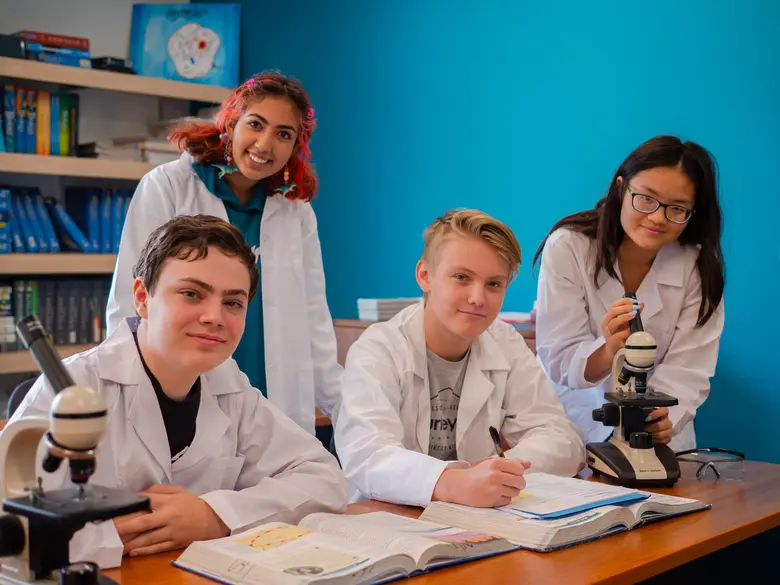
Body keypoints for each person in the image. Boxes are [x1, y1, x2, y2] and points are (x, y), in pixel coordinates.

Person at [9, 215, 348, 568]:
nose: (214, 316)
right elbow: (15, 526)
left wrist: (213, 515)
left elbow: (325, 479)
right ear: (142, 297)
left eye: (233, 302)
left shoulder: (229, 385)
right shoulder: (74, 386)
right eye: (191, 294)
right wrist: (122, 534)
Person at [106, 72, 340, 434]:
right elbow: (129, 301)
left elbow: (314, 319)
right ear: (230, 123)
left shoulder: (295, 211)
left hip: (276, 398)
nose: (265, 144)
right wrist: (127, 394)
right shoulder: (168, 186)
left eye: (283, 134)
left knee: (281, 467)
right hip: (181, 388)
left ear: (295, 146)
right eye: (255, 124)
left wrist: (346, 413)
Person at [334, 209, 584, 508]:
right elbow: (368, 456)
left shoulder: (505, 344)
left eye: (494, 284)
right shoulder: (378, 349)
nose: (478, 298)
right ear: (424, 276)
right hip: (388, 515)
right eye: (462, 277)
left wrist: (495, 472)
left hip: (477, 515)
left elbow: (563, 440)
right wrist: (454, 482)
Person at [533, 135, 725, 452]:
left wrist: (660, 417)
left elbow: (689, 368)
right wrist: (609, 349)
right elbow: (559, 358)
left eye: (677, 208)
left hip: (660, 440)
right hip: (574, 427)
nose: (657, 217)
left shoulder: (696, 266)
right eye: (646, 198)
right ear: (621, 188)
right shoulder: (569, 247)